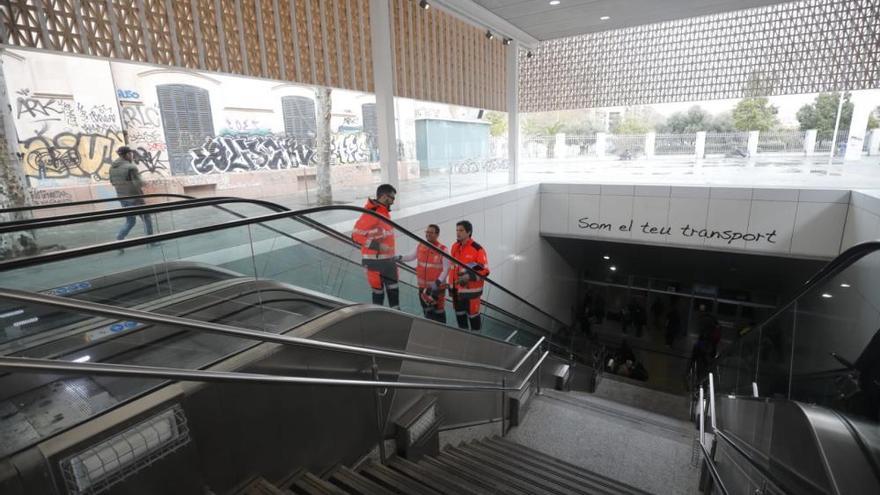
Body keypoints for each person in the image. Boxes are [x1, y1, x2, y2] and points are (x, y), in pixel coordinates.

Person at [352, 184, 399, 309]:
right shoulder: (372, 213)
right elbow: (356, 236)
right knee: (378, 298)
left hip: (388, 262)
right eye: (392, 198)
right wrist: (377, 246)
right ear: (384, 196)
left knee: (394, 298)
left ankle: (398, 322)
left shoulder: (383, 212)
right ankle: (379, 323)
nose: (393, 202)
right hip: (375, 264)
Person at [399, 224, 450, 323]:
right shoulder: (421, 245)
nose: (428, 234)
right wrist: (400, 258)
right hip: (422, 287)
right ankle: (431, 332)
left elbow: (446, 269)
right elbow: (411, 257)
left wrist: (438, 282)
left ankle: (443, 332)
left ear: (437, 234)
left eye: (431, 232)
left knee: (438, 311)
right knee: (427, 311)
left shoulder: (443, 249)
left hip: (436, 288)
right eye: (427, 232)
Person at [449, 220, 489, 331]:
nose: (458, 233)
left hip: (472, 295)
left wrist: (468, 277)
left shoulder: (477, 249)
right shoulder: (455, 247)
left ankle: (476, 346)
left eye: (461, 230)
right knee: (461, 324)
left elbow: (484, 271)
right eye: (457, 230)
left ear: (469, 232)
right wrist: (451, 288)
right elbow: (453, 269)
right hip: (457, 293)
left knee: (474, 324)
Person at [109, 146, 154, 241]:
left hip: (122, 198)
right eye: (131, 154)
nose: (132, 156)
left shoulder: (112, 167)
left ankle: (119, 237)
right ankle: (151, 241)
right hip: (135, 198)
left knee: (130, 221)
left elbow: (112, 182)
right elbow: (138, 183)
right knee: (146, 218)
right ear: (127, 154)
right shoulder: (131, 167)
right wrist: (145, 182)